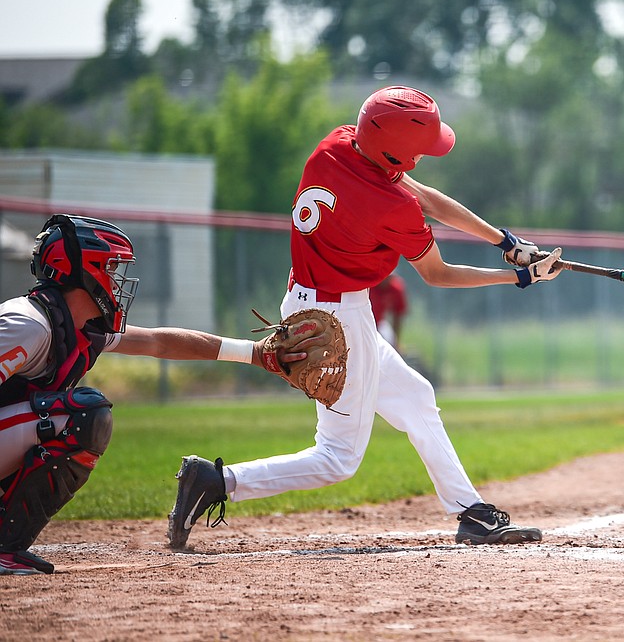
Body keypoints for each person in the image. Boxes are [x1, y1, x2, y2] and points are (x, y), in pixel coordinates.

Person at [168, 85, 563, 550]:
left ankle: (469, 511)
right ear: (398, 155)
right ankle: (217, 480)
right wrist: (515, 279)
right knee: (337, 458)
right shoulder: (389, 206)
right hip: (338, 320)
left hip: (311, 304)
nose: (425, 157)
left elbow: (428, 199)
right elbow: (438, 274)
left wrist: (505, 242)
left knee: (416, 398)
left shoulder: (337, 144)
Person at [0, 214, 308, 576]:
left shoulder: (74, 325)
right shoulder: (27, 324)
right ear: (84, 270)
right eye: (112, 268)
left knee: (79, 415)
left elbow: (159, 342)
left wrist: (255, 354)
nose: (118, 281)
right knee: (83, 416)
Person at [370, 273, 408, 349]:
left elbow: (398, 315)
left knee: (389, 343)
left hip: (380, 324)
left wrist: (396, 341)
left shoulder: (395, 288)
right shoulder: (369, 285)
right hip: (365, 322)